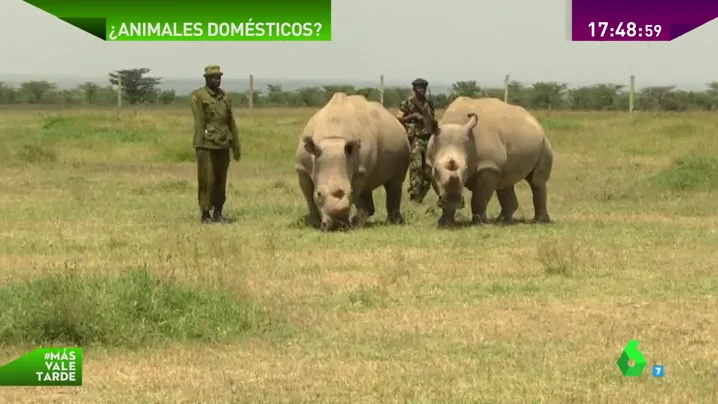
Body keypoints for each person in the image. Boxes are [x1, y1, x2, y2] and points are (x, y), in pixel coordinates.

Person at [190, 65, 241, 224]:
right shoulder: (198, 96)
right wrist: (199, 145)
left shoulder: (225, 97)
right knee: (207, 180)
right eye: (213, 77)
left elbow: (230, 121)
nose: (217, 80)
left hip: (223, 144)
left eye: (219, 77)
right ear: (206, 79)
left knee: (221, 180)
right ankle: (205, 213)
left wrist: (236, 145)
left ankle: (218, 212)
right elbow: (199, 122)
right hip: (207, 145)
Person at [395, 78, 438, 204]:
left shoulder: (428, 104)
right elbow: (398, 119)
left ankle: (420, 197)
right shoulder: (408, 103)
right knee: (417, 167)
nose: (422, 90)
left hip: (428, 140)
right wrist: (413, 116)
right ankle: (414, 197)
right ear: (414, 89)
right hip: (415, 139)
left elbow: (433, 119)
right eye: (420, 88)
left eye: (424, 88)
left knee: (428, 171)